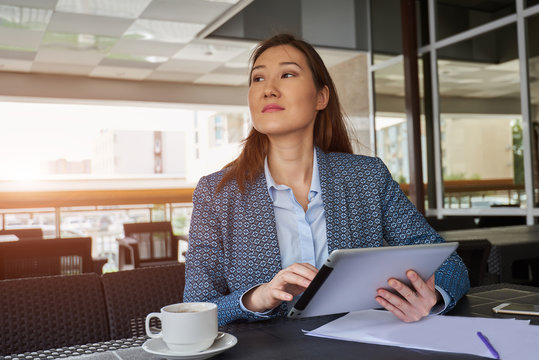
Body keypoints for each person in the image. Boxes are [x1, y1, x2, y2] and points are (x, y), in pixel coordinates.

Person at [184, 33, 470, 326]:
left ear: (321, 97)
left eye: (287, 74)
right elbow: (195, 306)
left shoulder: (367, 178)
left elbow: (448, 262)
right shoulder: (216, 194)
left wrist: (431, 296)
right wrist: (258, 297)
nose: (268, 89)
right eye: (258, 79)